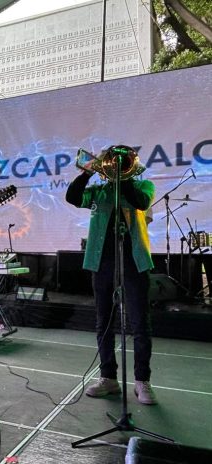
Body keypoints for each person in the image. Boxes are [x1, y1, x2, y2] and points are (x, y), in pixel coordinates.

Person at [65, 145, 157, 405]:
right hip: (101, 261)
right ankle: (109, 378)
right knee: (103, 320)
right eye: (112, 162)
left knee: (140, 323)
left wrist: (121, 176)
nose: (116, 165)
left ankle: (142, 381)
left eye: (121, 162)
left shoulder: (143, 186)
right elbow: (72, 197)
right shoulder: (99, 191)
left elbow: (140, 202)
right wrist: (86, 173)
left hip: (134, 260)